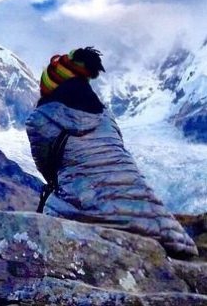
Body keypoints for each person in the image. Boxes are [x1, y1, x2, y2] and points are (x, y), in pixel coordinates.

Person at [26, 47, 198, 259]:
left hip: (82, 205)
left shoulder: (40, 119)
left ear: (50, 87)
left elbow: (48, 169)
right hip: (140, 203)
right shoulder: (106, 115)